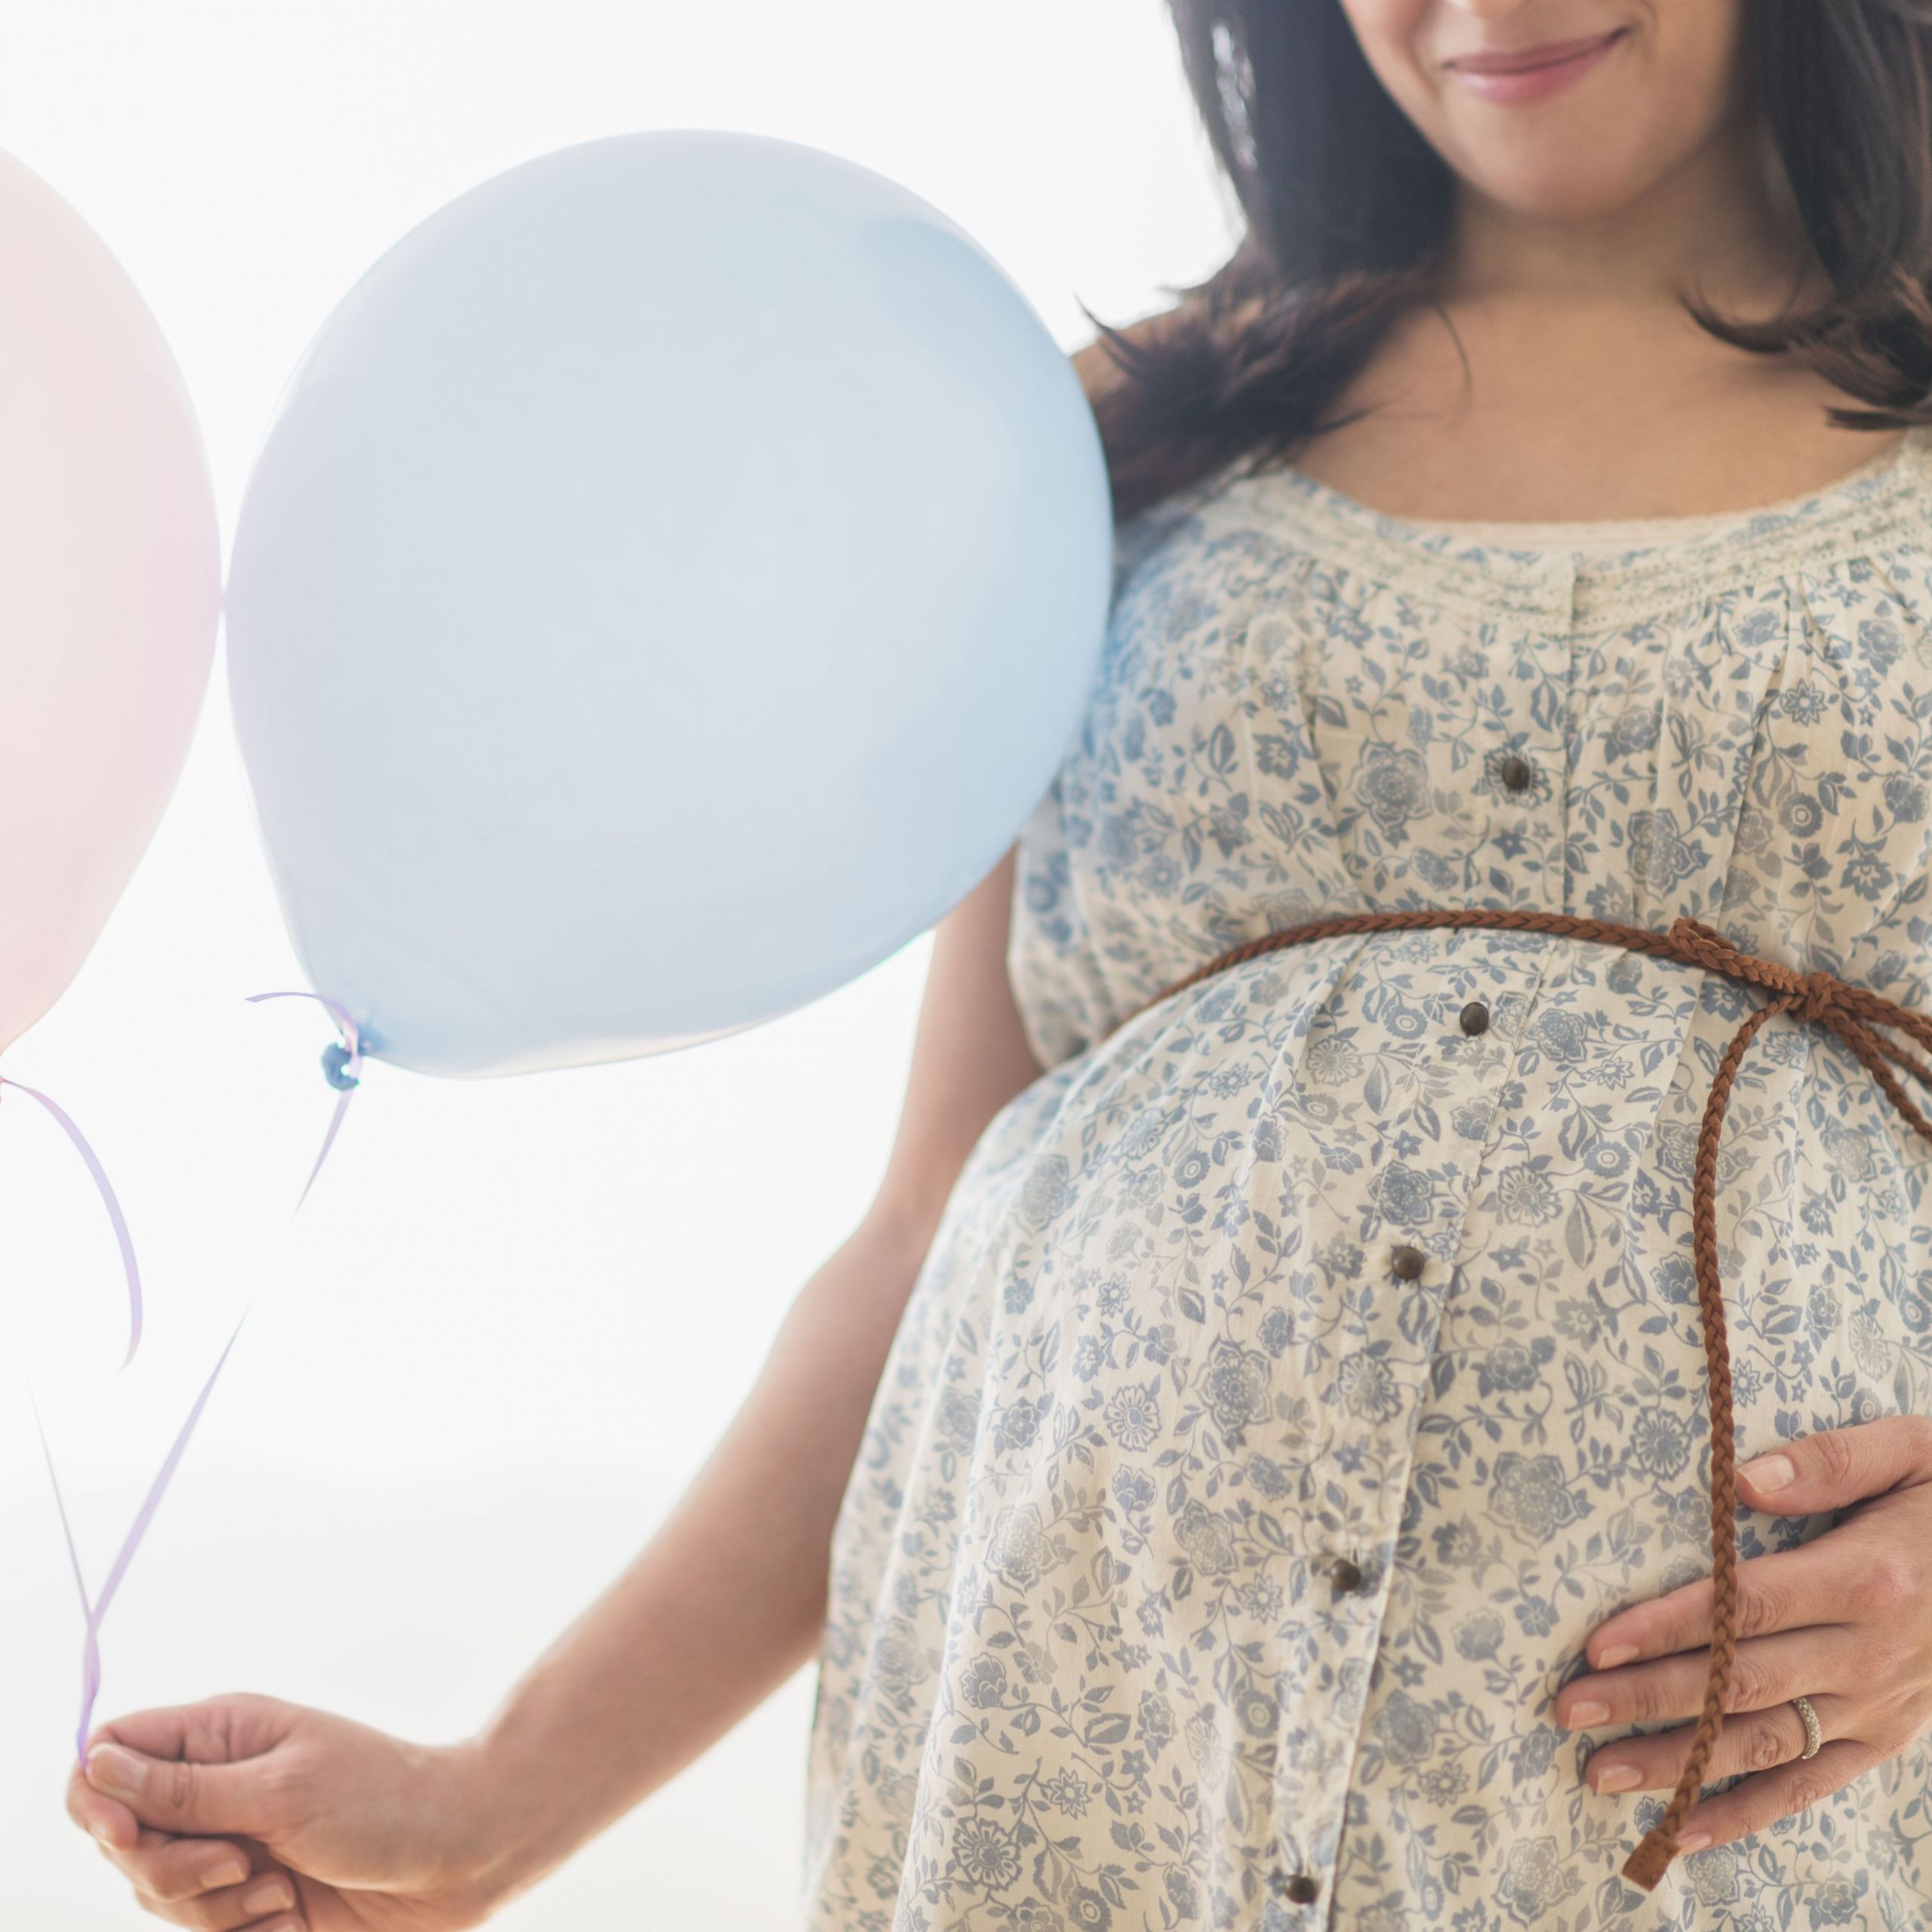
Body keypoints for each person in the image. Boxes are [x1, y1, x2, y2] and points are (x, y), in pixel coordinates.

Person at [67, 0, 1932, 1926]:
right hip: (1074, 1760)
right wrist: (489, 1804)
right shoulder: (1114, 437)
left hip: (1748, 1840)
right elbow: (920, 1229)